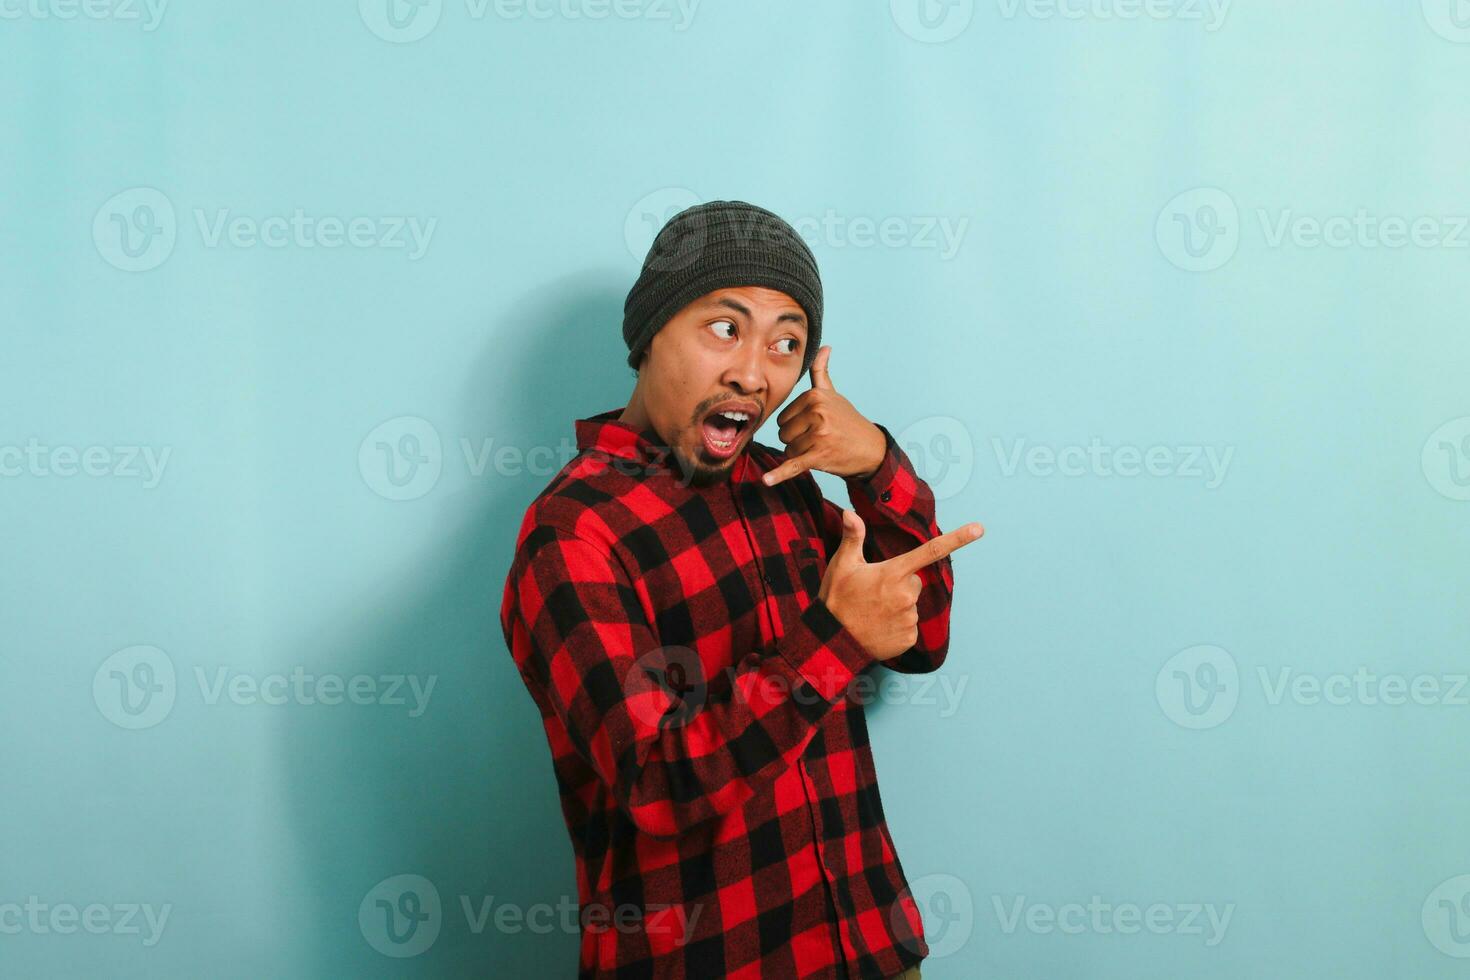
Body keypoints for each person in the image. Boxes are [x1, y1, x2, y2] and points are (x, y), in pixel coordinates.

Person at [500, 200, 982, 979]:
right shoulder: (572, 536)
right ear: (650, 332)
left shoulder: (780, 483)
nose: (754, 373)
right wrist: (833, 639)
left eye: (786, 343)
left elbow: (921, 638)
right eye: (726, 328)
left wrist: (873, 468)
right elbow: (655, 786)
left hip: (871, 946)